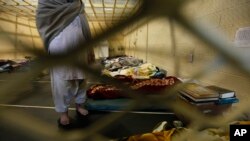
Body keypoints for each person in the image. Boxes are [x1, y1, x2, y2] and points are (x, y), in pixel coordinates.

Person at [36, 0, 94, 128]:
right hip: (59, 47)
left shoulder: (78, 4)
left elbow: (85, 26)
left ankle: (79, 106)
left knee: (82, 79)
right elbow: (43, 23)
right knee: (61, 83)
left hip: (81, 47)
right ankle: (63, 113)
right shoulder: (47, 3)